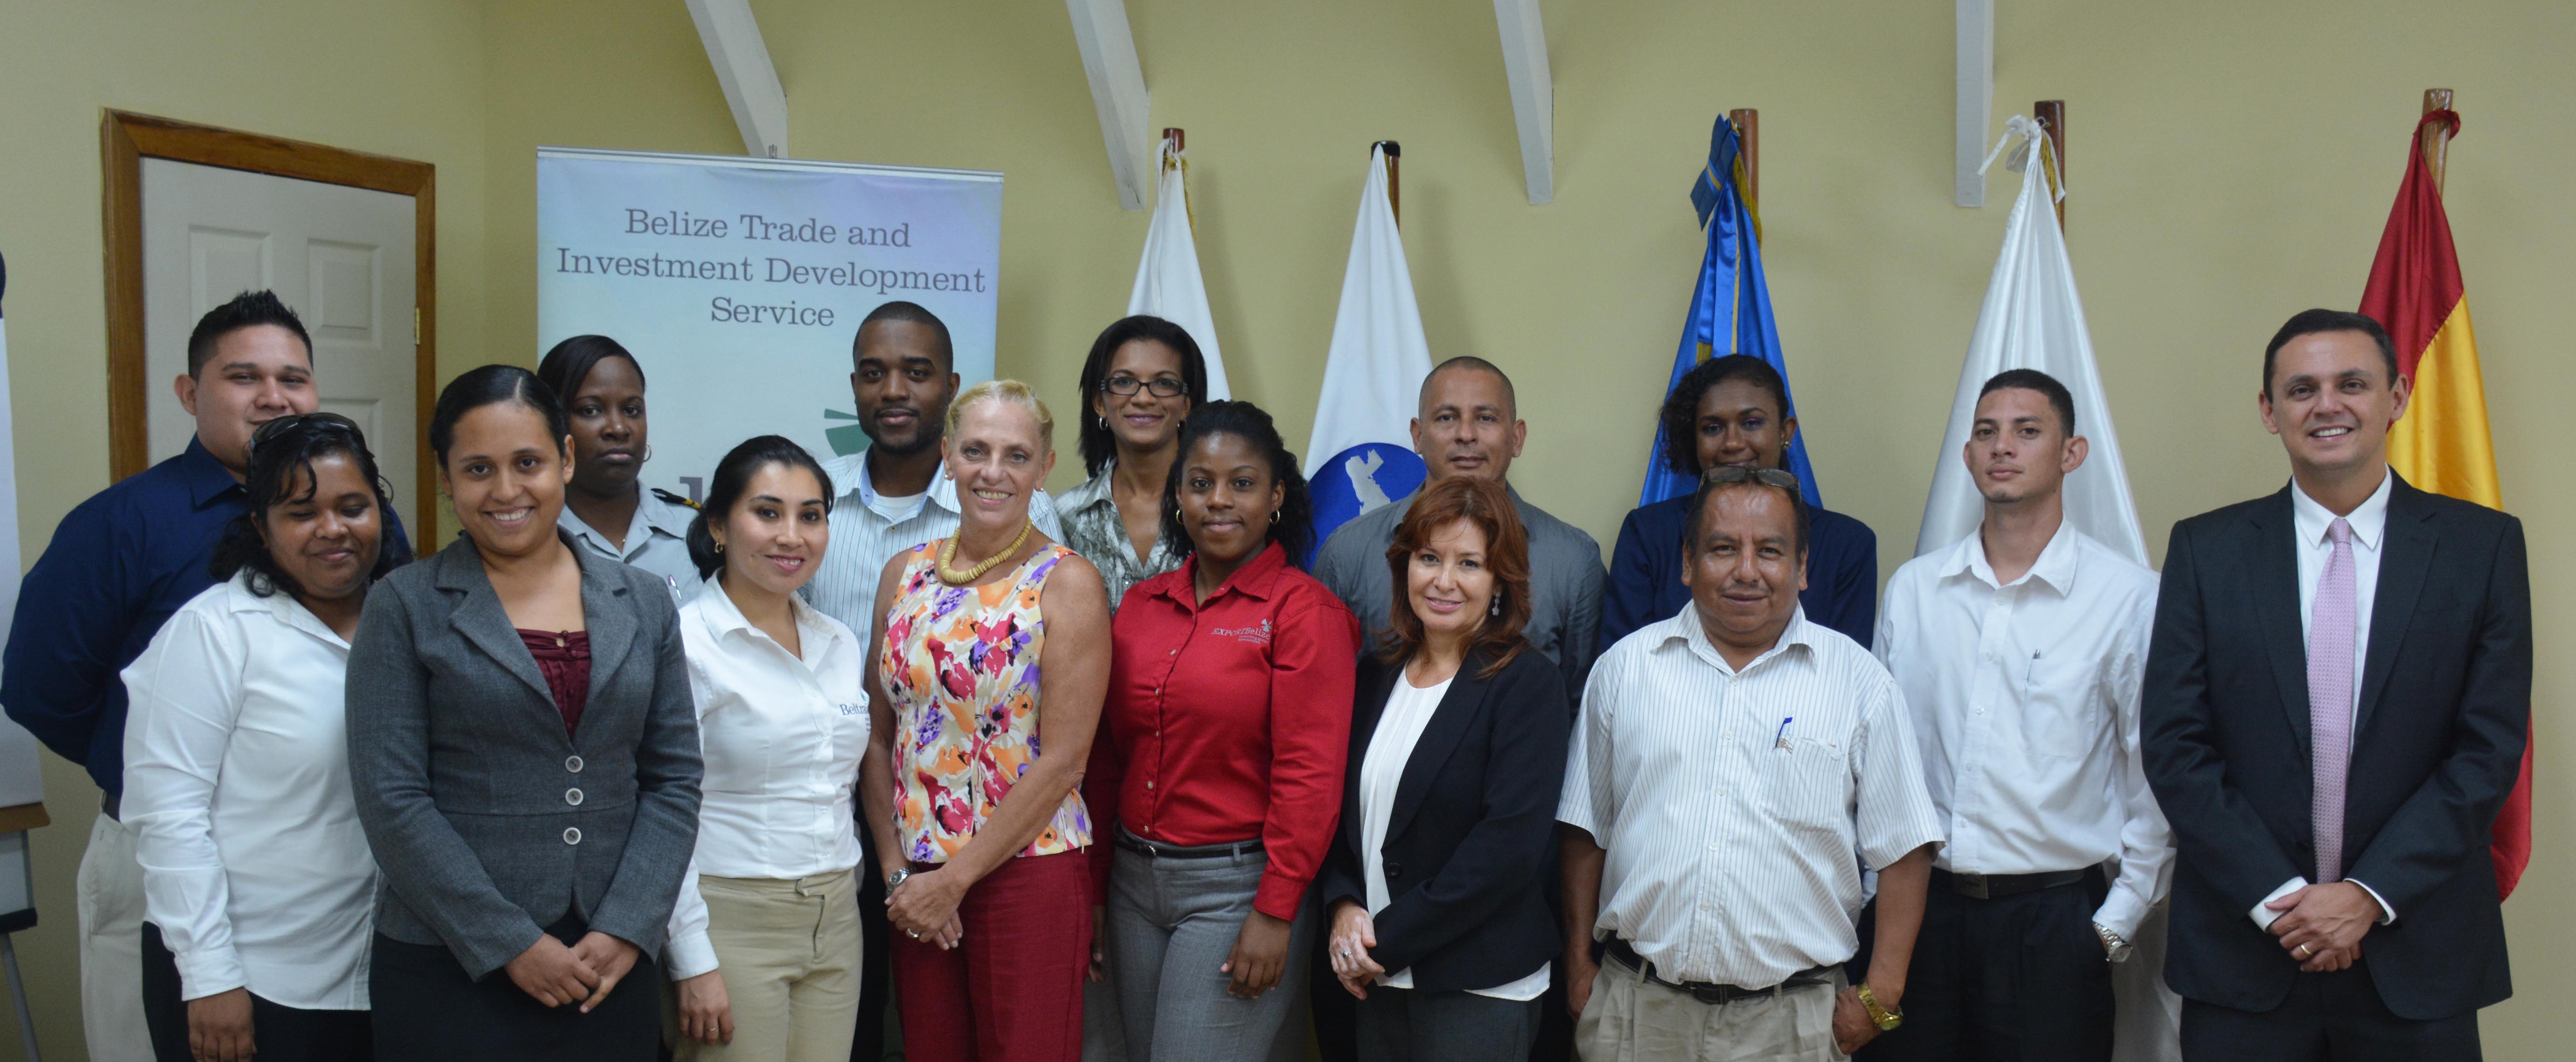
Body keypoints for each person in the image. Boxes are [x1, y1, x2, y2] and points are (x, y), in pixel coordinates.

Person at [2, 290, 409, 1062]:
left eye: (294, 377)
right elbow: (37, 688)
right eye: (243, 377)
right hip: (158, 844)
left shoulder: (365, 525)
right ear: (192, 393)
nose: (274, 397)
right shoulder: (121, 522)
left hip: (327, 868)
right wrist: (161, 777)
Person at [2142, 310, 2529, 1062]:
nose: (2328, 406)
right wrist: (2283, 904)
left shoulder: (2482, 548)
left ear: (2399, 396)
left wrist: (2367, 896)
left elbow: (2487, 751)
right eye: (2301, 389)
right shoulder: (2205, 550)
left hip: (2419, 952)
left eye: (2352, 384)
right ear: (2270, 411)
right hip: (2246, 956)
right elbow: (2175, 746)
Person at [347, 364, 702, 1061]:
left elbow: (673, 780)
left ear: (566, 461)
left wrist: (629, 925)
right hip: (451, 965)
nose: (506, 491)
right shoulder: (404, 604)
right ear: (447, 479)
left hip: (610, 964)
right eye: (478, 469)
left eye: (529, 463)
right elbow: (392, 801)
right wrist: (510, 942)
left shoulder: (645, 600)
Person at [1558, 468, 1944, 1062]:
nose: (1746, 570)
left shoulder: (1860, 683)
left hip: (1793, 1022)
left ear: (1803, 566)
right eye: (1722, 548)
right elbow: (1587, 829)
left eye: (1770, 550)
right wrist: (1581, 965)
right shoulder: (1625, 670)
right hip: (1639, 1013)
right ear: (1687, 562)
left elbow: (1906, 849)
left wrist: (1881, 993)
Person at [1861, 370, 2169, 1062]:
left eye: (2028, 432)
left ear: (2072, 453)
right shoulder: (1915, 591)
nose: (2004, 447)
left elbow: (2155, 778)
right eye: (1986, 433)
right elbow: (1878, 762)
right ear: (1968, 457)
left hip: (2054, 923)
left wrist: (2112, 928)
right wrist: (1870, 900)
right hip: (1920, 914)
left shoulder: (2128, 599)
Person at [799, 303, 1063, 1060]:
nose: (895, 390)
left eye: (916, 373)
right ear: (853, 385)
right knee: (849, 1021)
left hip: (973, 827)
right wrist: (894, 870)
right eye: (876, 373)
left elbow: (1049, 704)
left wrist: (937, 873)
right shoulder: (814, 507)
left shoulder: (1020, 513)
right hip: (831, 804)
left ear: (947, 386)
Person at [122, 413, 412, 1062]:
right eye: (301, 512)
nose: (333, 529)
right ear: (261, 527)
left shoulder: (409, 622)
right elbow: (169, 817)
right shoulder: (215, 633)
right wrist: (210, 979)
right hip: (249, 983)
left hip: (382, 980)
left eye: (353, 507)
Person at [1087, 400, 1359, 1061]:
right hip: (1130, 882)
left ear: (1276, 497)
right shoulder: (1141, 608)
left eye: (1242, 483)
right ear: (1178, 496)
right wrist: (1091, 892)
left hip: (1236, 889)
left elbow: (1312, 775)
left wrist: (1275, 911)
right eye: (1201, 483)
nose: (1219, 500)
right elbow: (1104, 759)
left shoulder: (1304, 612)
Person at [859, 379, 1109, 1062]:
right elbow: (878, 738)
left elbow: (1065, 760)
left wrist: (956, 879)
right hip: (915, 882)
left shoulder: (1068, 583)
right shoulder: (902, 575)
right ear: (947, 456)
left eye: (1016, 455)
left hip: (1027, 877)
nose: (993, 472)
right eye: (975, 450)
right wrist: (900, 878)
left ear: (1044, 468)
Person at [1318, 475, 1568, 1062]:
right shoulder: (1374, 672)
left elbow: (1507, 848)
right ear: (1405, 565)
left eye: (1470, 563)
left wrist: (1385, 939)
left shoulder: (1528, 683)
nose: (1444, 580)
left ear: (1501, 579)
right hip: (1374, 973)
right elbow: (1340, 811)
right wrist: (1344, 904)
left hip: (1475, 984)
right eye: (1429, 557)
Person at [658, 436, 869, 1062]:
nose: (792, 535)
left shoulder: (838, 642)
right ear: (719, 525)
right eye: (768, 512)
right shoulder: (687, 644)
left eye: (811, 516)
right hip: (729, 920)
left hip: (835, 919)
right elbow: (662, 811)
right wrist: (691, 959)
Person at [1313, 357, 1604, 705]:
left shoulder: (1573, 560)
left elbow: (1583, 709)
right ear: (1418, 436)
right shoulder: (1348, 552)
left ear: (1516, 438)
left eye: (1486, 418)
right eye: (1447, 418)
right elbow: (1321, 699)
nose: (1466, 434)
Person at [1603, 354, 1876, 650]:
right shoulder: (1648, 532)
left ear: (1786, 432)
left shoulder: (1848, 544)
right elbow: (1623, 661)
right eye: (1712, 428)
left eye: (1751, 423)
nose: (1733, 442)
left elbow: (1847, 673)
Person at [537, 334, 703, 601]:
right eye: (591, 411)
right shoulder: (533, 538)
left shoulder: (695, 532)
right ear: (552, 422)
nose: (618, 428)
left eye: (632, 410)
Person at [1058, 314, 1208, 611]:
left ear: (1186, 405)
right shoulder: (1063, 517)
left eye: (1164, 383)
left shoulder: (1216, 510)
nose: (1143, 398)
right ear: (1099, 402)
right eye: (1124, 382)